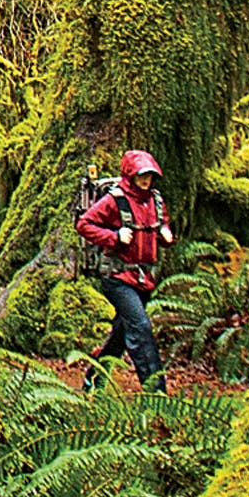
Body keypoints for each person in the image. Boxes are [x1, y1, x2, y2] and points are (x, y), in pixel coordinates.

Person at [75, 149, 174, 389]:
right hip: (117, 277)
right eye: (141, 175)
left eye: (149, 175)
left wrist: (165, 234)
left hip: (144, 278)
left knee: (122, 333)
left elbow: (162, 225)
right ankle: (156, 391)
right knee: (140, 328)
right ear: (130, 175)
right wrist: (114, 236)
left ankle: (93, 378)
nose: (145, 180)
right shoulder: (114, 200)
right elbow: (84, 224)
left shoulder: (155, 201)